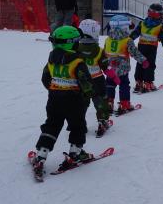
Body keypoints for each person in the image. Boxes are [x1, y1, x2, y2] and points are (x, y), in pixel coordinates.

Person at [31, 26, 107, 178]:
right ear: (72, 43)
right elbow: (85, 83)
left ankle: (41, 155)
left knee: (52, 125)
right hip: (74, 100)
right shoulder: (77, 62)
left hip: (54, 99)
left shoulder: (52, 59)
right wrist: (89, 94)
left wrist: (54, 89)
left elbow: (45, 78)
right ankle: (75, 153)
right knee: (78, 126)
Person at [77, 19, 116, 137]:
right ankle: (102, 121)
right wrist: (113, 76)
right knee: (101, 101)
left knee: (81, 103)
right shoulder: (99, 51)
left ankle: (79, 123)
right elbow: (105, 67)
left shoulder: (75, 49)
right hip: (97, 81)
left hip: (81, 82)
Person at [104, 15, 149, 114]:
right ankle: (124, 104)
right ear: (125, 28)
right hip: (122, 69)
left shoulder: (108, 39)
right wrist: (143, 61)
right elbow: (135, 52)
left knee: (109, 85)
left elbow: (104, 53)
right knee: (124, 85)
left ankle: (109, 103)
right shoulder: (127, 40)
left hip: (110, 68)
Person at [130, 3, 163, 92]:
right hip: (151, 48)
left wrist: (128, 41)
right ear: (158, 14)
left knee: (140, 63)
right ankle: (148, 83)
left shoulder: (142, 23)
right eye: (160, 14)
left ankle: (138, 82)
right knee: (150, 65)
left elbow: (134, 34)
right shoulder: (160, 26)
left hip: (141, 47)